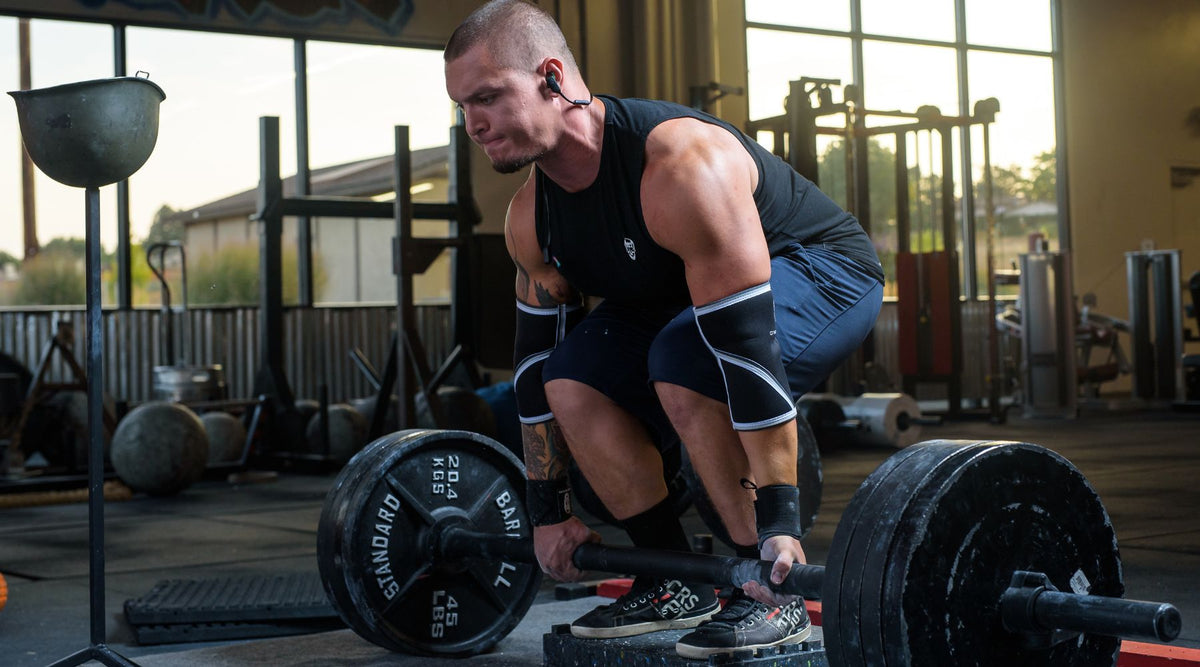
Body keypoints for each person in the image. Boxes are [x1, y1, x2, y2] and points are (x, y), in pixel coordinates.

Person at [444, 0, 884, 658]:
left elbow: (746, 357)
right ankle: (671, 576)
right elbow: (535, 370)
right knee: (571, 380)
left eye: (488, 97)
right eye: (462, 106)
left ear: (553, 78)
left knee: (687, 359)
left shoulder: (677, 168)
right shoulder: (530, 218)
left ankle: (767, 590)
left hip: (819, 268)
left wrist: (780, 525)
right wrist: (548, 513)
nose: (474, 123)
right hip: (679, 292)